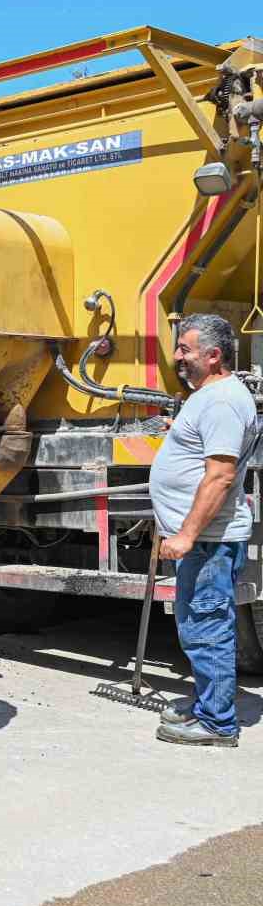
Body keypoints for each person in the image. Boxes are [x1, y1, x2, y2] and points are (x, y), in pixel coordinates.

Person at [150, 313, 258, 747]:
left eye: (185, 350)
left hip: (210, 540)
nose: (177, 357)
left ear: (214, 356)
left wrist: (187, 535)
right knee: (197, 625)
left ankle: (217, 724)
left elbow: (219, 477)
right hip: (205, 539)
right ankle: (208, 704)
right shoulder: (209, 397)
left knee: (207, 625)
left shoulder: (221, 401)